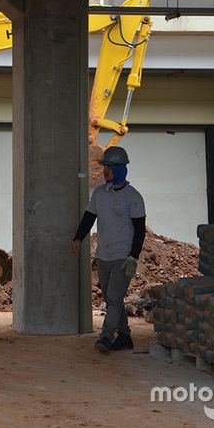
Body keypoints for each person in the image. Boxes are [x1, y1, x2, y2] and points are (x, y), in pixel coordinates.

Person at [71, 146, 146, 355]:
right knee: (112, 298)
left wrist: (134, 256)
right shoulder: (99, 194)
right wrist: (78, 238)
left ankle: (106, 336)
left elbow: (140, 230)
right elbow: (89, 218)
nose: (105, 171)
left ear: (121, 169)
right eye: (105, 167)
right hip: (103, 254)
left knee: (113, 297)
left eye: (109, 167)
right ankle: (124, 336)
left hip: (123, 256)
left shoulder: (133, 197)